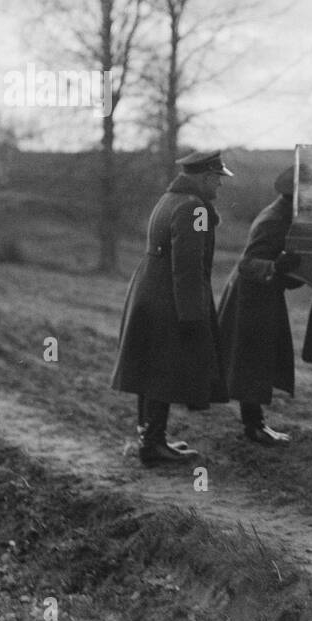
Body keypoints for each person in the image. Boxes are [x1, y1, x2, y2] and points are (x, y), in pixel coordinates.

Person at [111, 150, 232, 466]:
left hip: (152, 290)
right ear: (205, 177)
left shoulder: (171, 199)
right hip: (168, 296)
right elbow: (188, 267)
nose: (219, 187)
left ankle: (151, 438)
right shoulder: (191, 207)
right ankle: (152, 444)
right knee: (162, 369)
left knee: (152, 367)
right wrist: (193, 315)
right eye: (218, 180)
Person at [217, 167, 305, 445]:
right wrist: (277, 266)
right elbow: (248, 263)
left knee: (254, 360)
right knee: (251, 361)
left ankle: (254, 424)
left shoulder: (282, 213)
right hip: (251, 297)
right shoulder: (276, 218)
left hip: (260, 294)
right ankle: (254, 427)